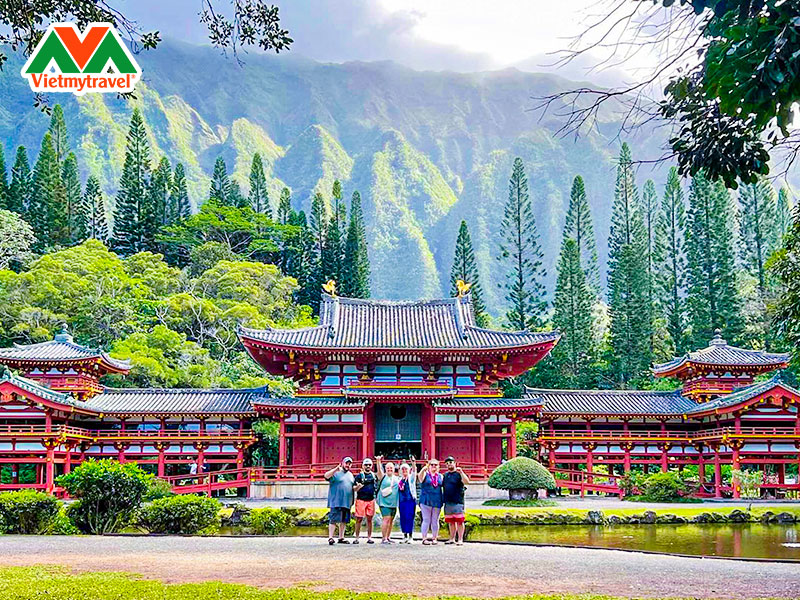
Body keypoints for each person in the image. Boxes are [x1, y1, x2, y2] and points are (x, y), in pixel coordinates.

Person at [323, 456, 355, 545]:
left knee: (344, 520)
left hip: (347, 501)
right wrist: (335, 469)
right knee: (333, 520)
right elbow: (326, 476)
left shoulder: (351, 475)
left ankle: (341, 537)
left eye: (349, 464)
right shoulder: (336, 473)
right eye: (346, 463)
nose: (348, 465)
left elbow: (353, 487)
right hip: (336, 500)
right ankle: (330, 537)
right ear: (342, 463)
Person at [442, 456, 470, 545]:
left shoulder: (458, 474)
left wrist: (461, 472)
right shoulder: (445, 475)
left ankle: (460, 539)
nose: (449, 464)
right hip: (448, 501)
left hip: (458, 500)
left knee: (459, 521)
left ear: (454, 463)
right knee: (450, 521)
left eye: (450, 462)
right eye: (447, 463)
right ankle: (452, 538)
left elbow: (467, 482)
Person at [417, 458, 444, 545]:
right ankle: (424, 538)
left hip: (437, 500)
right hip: (426, 500)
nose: (434, 467)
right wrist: (423, 469)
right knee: (426, 519)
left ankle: (434, 537)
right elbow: (420, 478)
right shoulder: (425, 475)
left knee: (435, 520)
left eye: (436, 465)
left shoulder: (440, 476)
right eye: (432, 465)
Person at [375, 455, 399, 544]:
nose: (389, 469)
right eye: (388, 468)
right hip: (384, 502)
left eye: (391, 468)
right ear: (385, 469)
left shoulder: (396, 478)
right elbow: (379, 470)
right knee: (386, 519)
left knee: (391, 520)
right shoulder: (383, 477)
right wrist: (378, 461)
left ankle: (388, 537)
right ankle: (383, 538)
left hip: (393, 503)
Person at [353, 457, 377, 544]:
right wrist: (358, 487)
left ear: (372, 466)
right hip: (361, 499)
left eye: (369, 465)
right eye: (366, 465)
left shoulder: (374, 476)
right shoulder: (359, 476)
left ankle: (369, 537)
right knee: (359, 519)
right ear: (363, 466)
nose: (368, 466)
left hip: (371, 500)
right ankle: (357, 537)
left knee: (370, 519)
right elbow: (354, 489)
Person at [397, 458, 417, 543]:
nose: (404, 471)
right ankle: (404, 535)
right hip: (402, 501)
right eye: (403, 469)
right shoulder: (399, 480)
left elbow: (414, 472)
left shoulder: (411, 479)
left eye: (406, 469)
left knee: (410, 517)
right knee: (403, 518)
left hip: (410, 501)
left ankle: (410, 536)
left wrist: (413, 463)